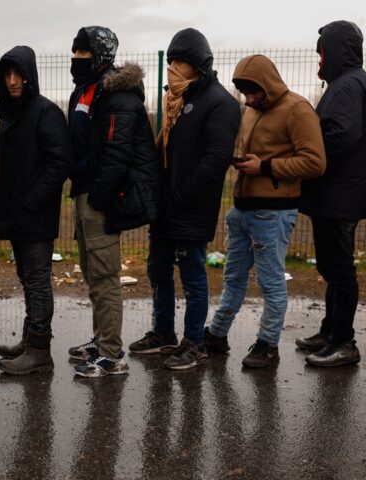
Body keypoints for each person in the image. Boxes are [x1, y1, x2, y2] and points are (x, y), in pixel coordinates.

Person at [128, 28, 240, 370]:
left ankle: (195, 342)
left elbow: (214, 160)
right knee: (157, 270)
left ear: (198, 65)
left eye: (180, 62)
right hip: (166, 207)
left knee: (192, 276)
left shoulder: (220, 103)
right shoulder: (176, 100)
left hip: (191, 209)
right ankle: (164, 333)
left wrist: (178, 195)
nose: (173, 68)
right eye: (171, 61)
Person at [205, 54, 326, 367]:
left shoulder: (297, 109)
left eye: (254, 91)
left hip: (273, 213)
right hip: (242, 209)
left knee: (270, 283)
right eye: (245, 92)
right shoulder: (250, 109)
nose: (250, 98)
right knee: (233, 278)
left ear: (268, 84)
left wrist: (265, 167)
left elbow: (315, 162)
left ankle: (267, 345)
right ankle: (217, 335)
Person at [66, 26, 160, 377]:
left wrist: (101, 199)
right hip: (85, 193)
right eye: (74, 54)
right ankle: (100, 338)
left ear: (102, 57)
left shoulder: (118, 98)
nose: (77, 60)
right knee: (92, 273)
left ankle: (111, 354)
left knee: (105, 276)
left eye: (84, 54)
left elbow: (117, 156)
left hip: (100, 198)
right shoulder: (85, 92)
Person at [0, 46, 72, 375]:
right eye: (6, 75)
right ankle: (30, 338)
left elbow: (59, 162)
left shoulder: (45, 112)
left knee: (38, 280)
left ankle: (40, 350)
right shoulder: (10, 115)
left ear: (29, 76)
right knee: (27, 278)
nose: (12, 81)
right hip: (16, 213)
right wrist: (2, 201)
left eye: (17, 74)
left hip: (35, 215)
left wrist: (32, 200)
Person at [298, 21, 366, 367]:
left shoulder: (349, 85)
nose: (318, 57)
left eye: (322, 50)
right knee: (332, 267)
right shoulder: (344, 83)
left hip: (341, 196)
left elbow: (341, 134)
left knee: (340, 269)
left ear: (336, 50)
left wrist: (308, 156)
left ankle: (344, 342)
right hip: (337, 194)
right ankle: (329, 331)